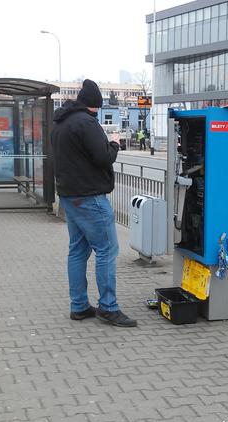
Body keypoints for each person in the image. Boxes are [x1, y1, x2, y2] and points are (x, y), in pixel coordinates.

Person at [51, 79, 137, 327]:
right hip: (89, 197)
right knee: (107, 250)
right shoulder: (86, 123)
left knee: (77, 250)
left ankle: (78, 306)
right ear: (95, 105)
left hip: (69, 196)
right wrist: (114, 144)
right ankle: (109, 308)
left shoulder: (61, 122)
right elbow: (103, 158)